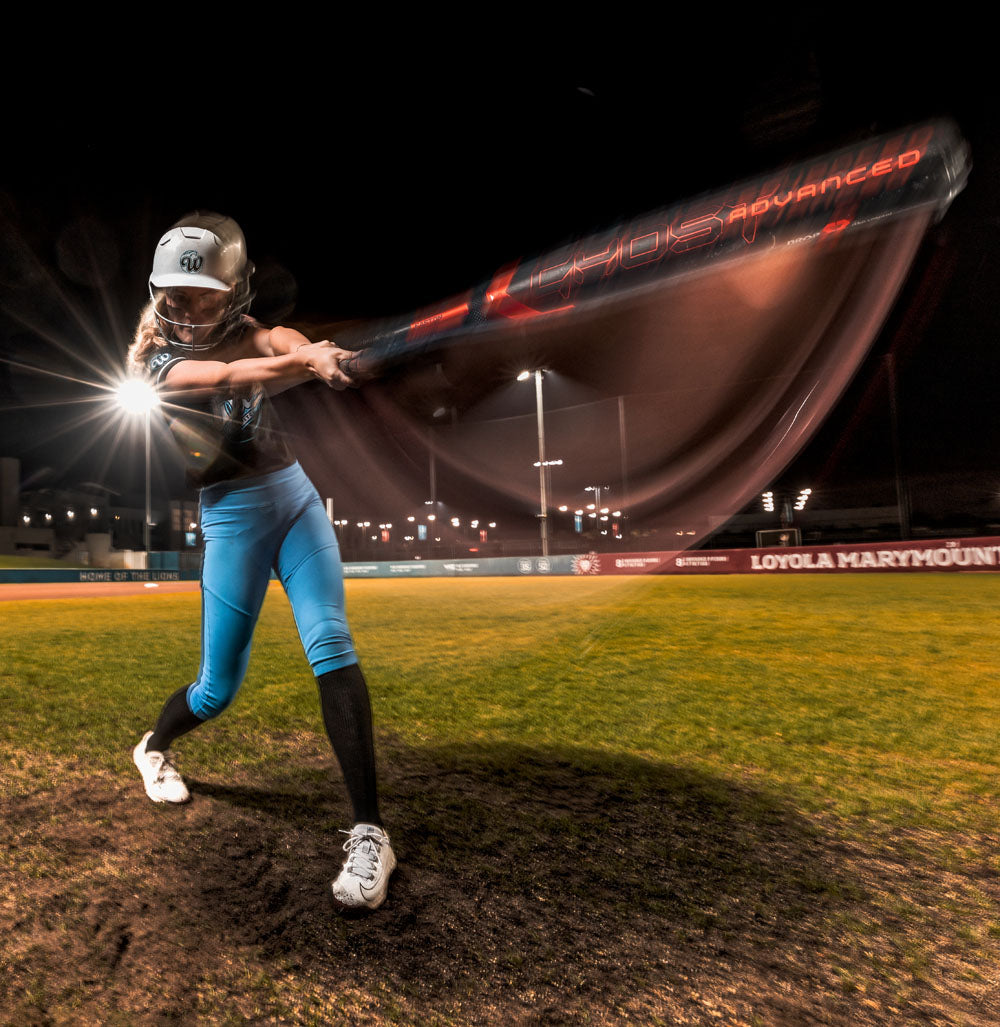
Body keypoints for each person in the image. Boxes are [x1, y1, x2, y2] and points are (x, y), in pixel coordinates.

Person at [126, 211, 395, 911]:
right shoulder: (160, 364)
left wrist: (313, 350)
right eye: (176, 296)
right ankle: (154, 745)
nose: (186, 310)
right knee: (216, 690)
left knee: (331, 641)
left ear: (235, 291)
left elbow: (276, 340)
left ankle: (370, 830)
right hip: (232, 517)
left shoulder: (253, 328)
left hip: (295, 498)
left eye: (203, 296)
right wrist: (302, 363)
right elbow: (233, 371)